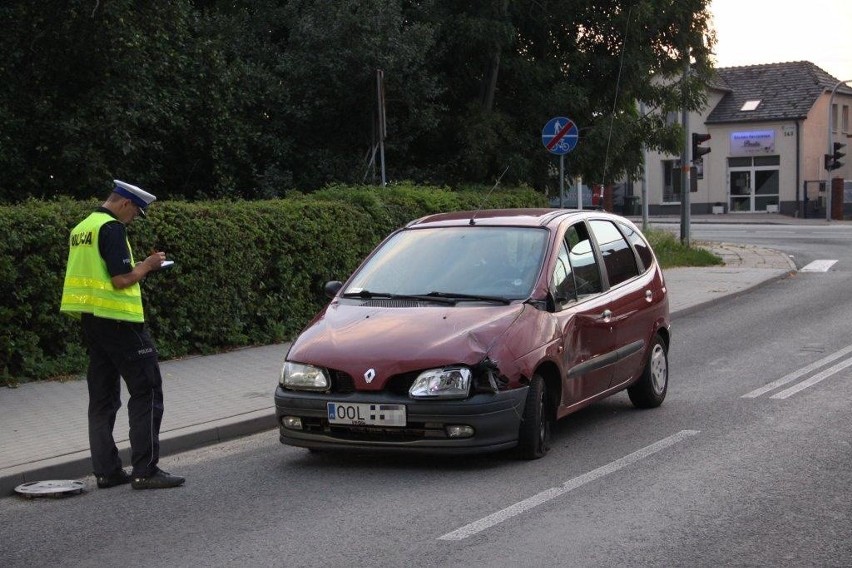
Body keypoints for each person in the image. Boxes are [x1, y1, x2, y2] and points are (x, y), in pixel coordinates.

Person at [60, 180, 184, 490]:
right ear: (125, 204)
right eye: (136, 213)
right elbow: (121, 279)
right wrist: (148, 265)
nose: (134, 219)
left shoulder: (82, 228)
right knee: (147, 390)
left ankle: (107, 472)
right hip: (120, 323)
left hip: (92, 322)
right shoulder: (111, 228)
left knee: (102, 399)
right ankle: (145, 470)